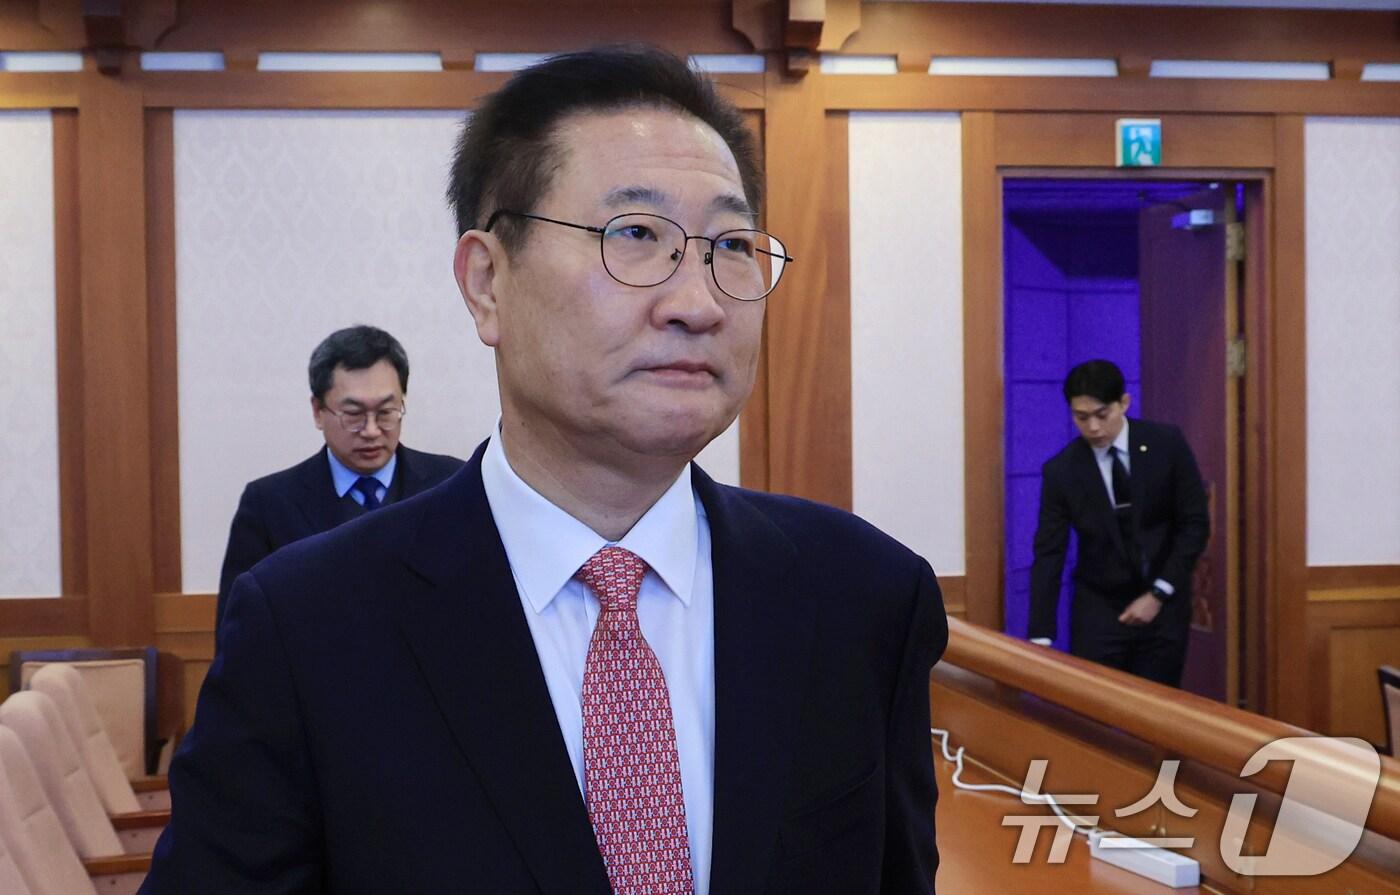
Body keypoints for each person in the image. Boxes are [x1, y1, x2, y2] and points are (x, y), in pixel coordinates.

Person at [143, 46, 946, 895]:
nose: (698, 302)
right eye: (635, 235)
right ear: (487, 282)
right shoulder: (307, 627)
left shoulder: (864, 596)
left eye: (730, 245)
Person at [214, 324, 463, 632]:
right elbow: (239, 632)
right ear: (318, 411)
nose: (371, 430)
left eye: (386, 412)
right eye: (354, 414)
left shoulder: (451, 484)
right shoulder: (268, 506)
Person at [1028, 359, 1210, 687]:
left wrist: (1159, 593)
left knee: (1157, 706)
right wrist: (1040, 635)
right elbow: (1049, 552)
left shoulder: (1166, 445)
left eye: (1102, 415)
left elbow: (1194, 523)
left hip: (1164, 604)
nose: (1093, 428)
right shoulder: (1062, 470)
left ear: (1123, 403)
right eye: (1081, 417)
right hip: (1099, 609)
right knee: (1095, 703)